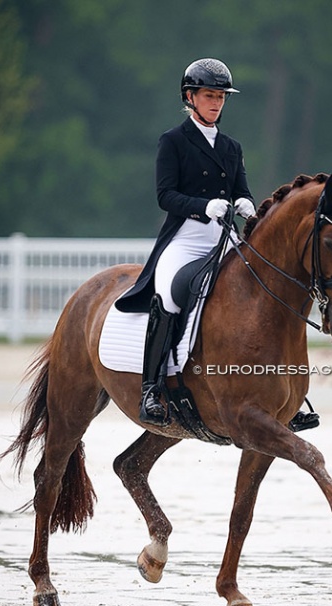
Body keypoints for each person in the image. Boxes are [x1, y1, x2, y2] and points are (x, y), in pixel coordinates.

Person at [115, 58, 255, 426]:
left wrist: (246, 203)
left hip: (222, 239)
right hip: (185, 238)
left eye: (221, 96)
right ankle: (150, 388)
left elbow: (240, 189)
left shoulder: (231, 146)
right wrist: (203, 206)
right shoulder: (174, 141)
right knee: (169, 295)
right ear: (190, 97)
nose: (217, 103)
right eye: (209, 95)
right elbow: (165, 196)